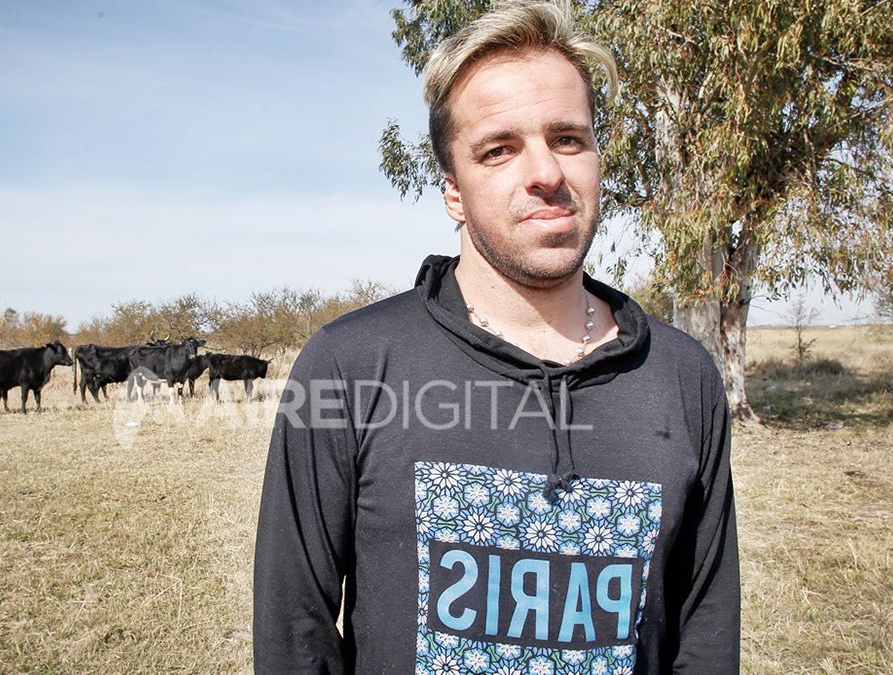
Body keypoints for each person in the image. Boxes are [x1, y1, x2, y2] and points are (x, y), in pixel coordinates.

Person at [253, 1, 740, 672]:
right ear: (453, 191)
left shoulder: (681, 377)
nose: (547, 173)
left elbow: (705, 634)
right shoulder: (349, 367)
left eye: (568, 138)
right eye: (499, 150)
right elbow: (294, 635)